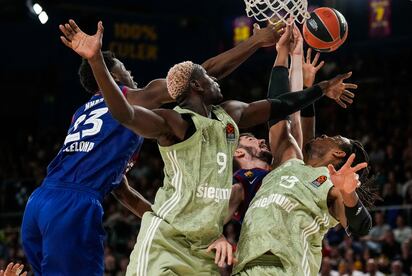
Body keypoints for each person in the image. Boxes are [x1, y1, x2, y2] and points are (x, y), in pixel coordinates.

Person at [59, 19, 354, 275]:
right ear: (197, 87)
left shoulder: (232, 114)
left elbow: (281, 108)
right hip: (168, 242)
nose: (216, 78)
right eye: (208, 77)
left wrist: (318, 88)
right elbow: (125, 114)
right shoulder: (173, 123)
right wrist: (96, 60)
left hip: (204, 251)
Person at [21, 19, 283, 276]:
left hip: (39, 201)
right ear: (113, 77)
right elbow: (199, 76)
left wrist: (173, 227)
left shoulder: (81, 113)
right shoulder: (131, 96)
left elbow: (123, 192)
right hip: (73, 204)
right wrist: (255, 41)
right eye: (125, 70)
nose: (131, 75)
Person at [232, 24, 373, 276]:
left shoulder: (331, 185)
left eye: (333, 137)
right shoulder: (290, 161)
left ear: (339, 154)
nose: (325, 135)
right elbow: (278, 113)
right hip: (245, 268)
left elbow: (361, 227)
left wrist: (350, 195)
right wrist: (282, 54)